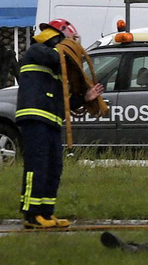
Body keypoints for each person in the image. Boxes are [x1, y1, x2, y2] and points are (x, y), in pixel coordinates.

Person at [15, 19, 105, 229]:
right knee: (36, 167)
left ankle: (46, 213)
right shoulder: (37, 50)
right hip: (35, 118)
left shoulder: (58, 63)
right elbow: (55, 56)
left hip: (52, 120)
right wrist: (66, 46)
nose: (74, 45)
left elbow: (63, 100)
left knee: (53, 167)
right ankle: (31, 214)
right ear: (59, 35)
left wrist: (86, 97)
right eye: (72, 40)